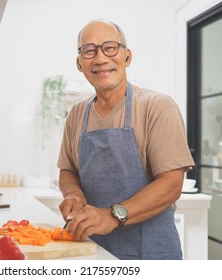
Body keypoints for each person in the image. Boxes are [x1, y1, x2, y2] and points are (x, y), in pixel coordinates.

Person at [57, 19, 195, 260]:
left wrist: (111, 216)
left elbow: (172, 184)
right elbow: (67, 171)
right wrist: (73, 194)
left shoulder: (158, 107)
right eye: (89, 50)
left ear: (127, 57)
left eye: (110, 47)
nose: (100, 58)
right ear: (79, 64)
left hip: (149, 253)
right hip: (93, 251)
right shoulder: (77, 113)